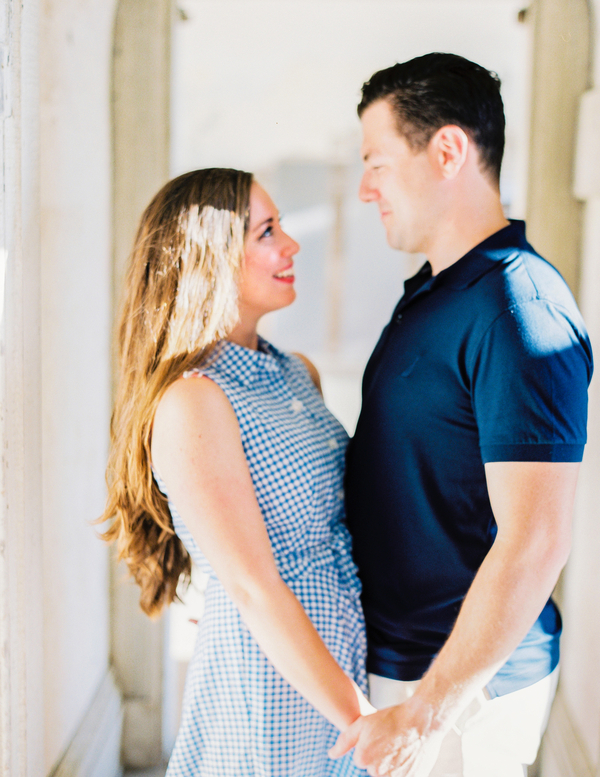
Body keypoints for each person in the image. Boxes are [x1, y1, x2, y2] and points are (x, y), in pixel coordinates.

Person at [329, 53, 593, 777]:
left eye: (377, 162)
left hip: (461, 691)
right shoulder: (433, 292)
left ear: (447, 150)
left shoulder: (519, 308)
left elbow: (537, 537)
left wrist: (431, 706)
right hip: (405, 668)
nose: (364, 188)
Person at [98, 168, 373, 777]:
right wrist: (361, 721)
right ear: (210, 256)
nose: (292, 245)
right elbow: (252, 587)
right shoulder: (193, 400)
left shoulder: (297, 372)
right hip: (274, 682)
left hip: (344, 654)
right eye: (267, 231)